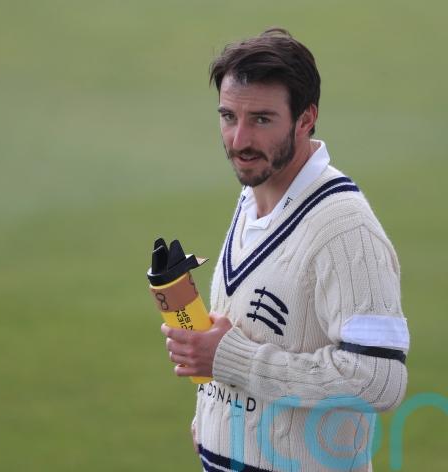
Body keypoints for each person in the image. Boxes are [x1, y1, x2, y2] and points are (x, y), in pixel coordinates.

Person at [161, 28, 409, 472]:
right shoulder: (255, 195)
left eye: (261, 119)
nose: (239, 140)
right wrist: (212, 418)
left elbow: (379, 380)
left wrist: (229, 359)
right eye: (228, 117)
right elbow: (252, 335)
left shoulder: (345, 229)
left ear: (306, 118)